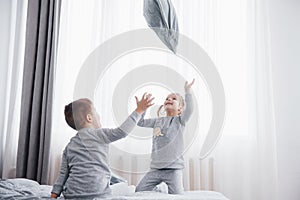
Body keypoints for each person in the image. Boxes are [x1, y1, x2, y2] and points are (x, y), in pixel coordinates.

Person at [51, 94, 154, 199]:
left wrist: (54, 195)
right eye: (96, 112)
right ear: (89, 118)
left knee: (116, 180)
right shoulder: (99, 135)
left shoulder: (69, 147)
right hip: (98, 195)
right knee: (127, 188)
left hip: (72, 195)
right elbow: (122, 132)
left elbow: (63, 174)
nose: (99, 115)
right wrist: (139, 110)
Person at [135, 79, 195, 194]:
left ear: (180, 108)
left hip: (173, 170)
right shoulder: (157, 121)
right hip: (155, 169)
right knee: (139, 191)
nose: (169, 99)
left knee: (177, 195)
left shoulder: (180, 121)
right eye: (167, 98)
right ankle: (159, 189)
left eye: (174, 99)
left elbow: (190, 110)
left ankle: (164, 188)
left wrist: (188, 91)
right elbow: (140, 122)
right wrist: (142, 109)